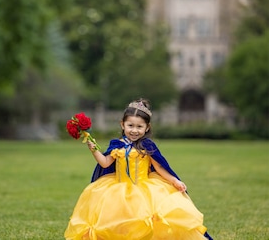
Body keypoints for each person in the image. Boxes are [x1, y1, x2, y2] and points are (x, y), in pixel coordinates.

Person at [64, 98, 213, 240]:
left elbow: (159, 167)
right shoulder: (117, 145)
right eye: (130, 125)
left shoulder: (147, 146)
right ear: (122, 124)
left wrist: (174, 180)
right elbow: (105, 163)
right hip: (118, 190)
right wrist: (94, 150)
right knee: (119, 220)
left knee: (147, 219)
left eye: (139, 127)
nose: (134, 130)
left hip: (144, 189)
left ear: (147, 127)